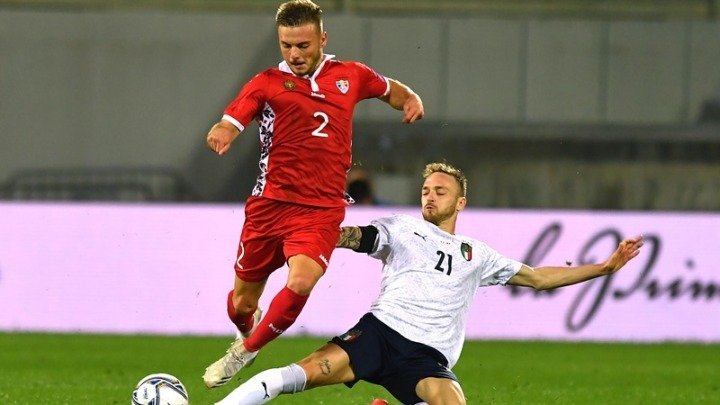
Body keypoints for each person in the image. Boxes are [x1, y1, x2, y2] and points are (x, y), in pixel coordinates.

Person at [213, 162, 644, 405]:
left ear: (461, 202)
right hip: (378, 334)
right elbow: (354, 237)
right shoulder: (401, 228)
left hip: (426, 357)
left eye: (440, 190)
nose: (430, 196)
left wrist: (604, 268)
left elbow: (537, 277)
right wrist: (317, 232)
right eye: (425, 190)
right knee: (291, 377)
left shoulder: (477, 253)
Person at [202, 0, 424, 389]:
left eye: (303, 45)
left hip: (320, 210)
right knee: (242, 304)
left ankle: (245, 351)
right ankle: (246, 328)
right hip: (270, 207)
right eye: (286, 45)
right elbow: (233, 117)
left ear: (322, 39)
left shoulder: (351, 75)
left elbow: (390, 89)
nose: (294, 54)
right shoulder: (266, 82)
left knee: (301, 282)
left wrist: (410, 99)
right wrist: (224, 130)